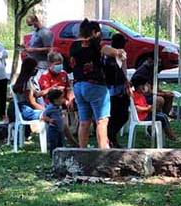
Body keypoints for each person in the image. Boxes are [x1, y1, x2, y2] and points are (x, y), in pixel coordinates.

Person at [69, 19, 126, 149]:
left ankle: (82, 151)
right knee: (101, 121)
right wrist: (119, 52)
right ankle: (102, 153)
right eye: (99, 33)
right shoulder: (95, 44)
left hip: (78, 86)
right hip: (95, 86)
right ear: (94, 32)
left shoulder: (73, 46)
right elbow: (108, 50)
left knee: (84, 121)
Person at [38, 51, 77, 145]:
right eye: (57, 64)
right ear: (50, 64)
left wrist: (70, 99)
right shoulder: (45, 76)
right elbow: (47, 95)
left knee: (79, 107)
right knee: (62, 115)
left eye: (60, 64)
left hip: (63, 102)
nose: (59, 66)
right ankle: (72, 141)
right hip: (52, 104)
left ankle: (75, 132)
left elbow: (69, 88)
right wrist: (55, 91)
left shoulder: (63, 74)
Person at [103, 33, 130, 148]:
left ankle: (112, 136)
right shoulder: (116, 54)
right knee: (119, 115)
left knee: (121, 115)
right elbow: (122, 71)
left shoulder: (113, 54)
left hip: (117, 89)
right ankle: (110, 137)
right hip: (114, 91)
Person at [41, 88, 66, 156]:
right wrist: (49, 120)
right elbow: (43, 116)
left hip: (60, 128)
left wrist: (62, 114)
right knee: (54, 144)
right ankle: (53, 156)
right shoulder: (50, 108)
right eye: (61, 98)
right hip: (53, 129)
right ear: (55, 100)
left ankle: (60, 155)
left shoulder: (59, 107)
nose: (63, 99)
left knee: (60, 143)